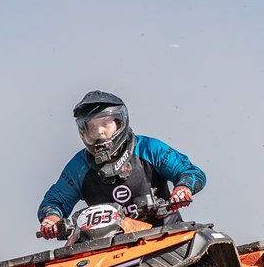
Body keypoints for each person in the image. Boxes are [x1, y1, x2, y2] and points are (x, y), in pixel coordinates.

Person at [37, 90, 207, 238]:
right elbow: (54, 201)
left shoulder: (149, 148)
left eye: (105, 124)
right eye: (92, 128)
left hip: (166, 237)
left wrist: (183, 188)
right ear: (84, 131)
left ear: (120, 122)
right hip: (108, 250)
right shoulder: (78, 167)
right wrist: (51, 219)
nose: (100, 132)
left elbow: (190, 171)